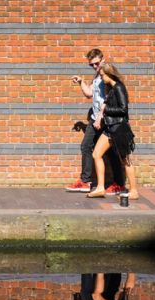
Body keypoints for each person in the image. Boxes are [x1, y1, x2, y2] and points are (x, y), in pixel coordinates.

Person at [66, 49, 126, 194]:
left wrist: (100, 117)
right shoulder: (97, 76)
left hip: (105, 119)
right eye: (91, 65)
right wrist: (81, 82)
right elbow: (89, 93)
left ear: (103, 60)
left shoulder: (107, 76)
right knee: (88, 146)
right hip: (96, 119)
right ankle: (86, 182)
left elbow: (107, 100)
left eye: (96, 63)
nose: (94, 67)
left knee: (109, 151)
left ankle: (118, 184)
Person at [87, 63, 139, 200]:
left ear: (109, 74)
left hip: (119, 128)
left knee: (125, 160)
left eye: (103, 75)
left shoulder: (119, 87)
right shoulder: (111, 89)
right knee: (96, 154)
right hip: (111, 128)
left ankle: (134, 191)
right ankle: (100, 188)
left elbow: (123, 110)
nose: (102, 78)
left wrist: (105, 111)